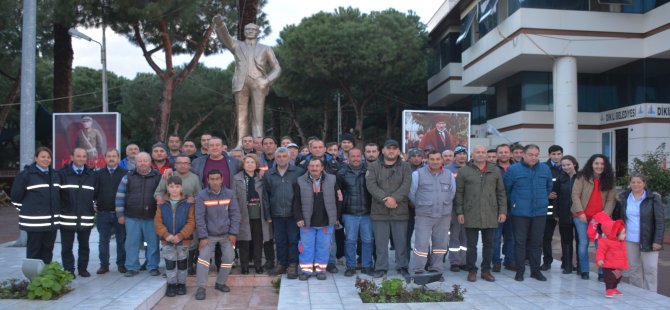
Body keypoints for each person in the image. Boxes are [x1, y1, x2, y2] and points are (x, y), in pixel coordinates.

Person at [213, 15, 281, 146]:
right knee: (241, 115)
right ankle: (241, 143)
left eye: (253, 29)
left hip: (258, 82)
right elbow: (226, 38)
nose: (250, 31)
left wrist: (266, 81)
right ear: (244, 32)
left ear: (258, 32)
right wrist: (220, 25)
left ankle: (258, 143)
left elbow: (277, 68)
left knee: (258, 115)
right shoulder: (237, 45)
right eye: (247, 29)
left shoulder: (266, 48)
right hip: (241, 82)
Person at [455, 146, 507, 282]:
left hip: (491, 213)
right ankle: (472, 270)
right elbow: (459, 193)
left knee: (489, 244)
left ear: (487, 154)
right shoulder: (464, 171)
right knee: (471, 245)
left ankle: (486, 271)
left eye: (483, 152)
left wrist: (502, 211)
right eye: (478, 152)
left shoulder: (495, 170)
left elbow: (501, 193)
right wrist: (459, 212)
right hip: (470, 212)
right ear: (472, 154)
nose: (481, 155)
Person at [504, 144, 553, 282]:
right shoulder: (513, 170)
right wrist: (513, 205)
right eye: (531, 154)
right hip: (520, 212)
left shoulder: (545, 169)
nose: (534, 157)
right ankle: (520, 271)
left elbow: (549, 187)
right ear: (523, 155)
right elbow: (507, 190)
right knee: (520, 243)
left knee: (537, 243)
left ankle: (535, 271)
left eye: (536, 155)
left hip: (539, 212)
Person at [366, 139, 412, 278]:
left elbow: (406, 184)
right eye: (388, 148)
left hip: (400, 210)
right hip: (380, 210)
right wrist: (386, 199)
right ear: (383, 150)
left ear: (399, 151)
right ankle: (381, 267)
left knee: (401, 242)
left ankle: (402, 266)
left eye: (394, 148)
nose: (391, 151)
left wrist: (395, 199)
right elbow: (371, 185)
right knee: (380, 243)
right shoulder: (373, 166)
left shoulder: (405, 166)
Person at [194, 169, 240, 300]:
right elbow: (199, 218)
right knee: (203, 258)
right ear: (208, 180)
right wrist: (203, 237)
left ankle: (220, 283)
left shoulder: (229, 194)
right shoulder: (202, 195)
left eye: (217, 179)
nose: (215, 181)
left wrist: (233, 233)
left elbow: (235, 214)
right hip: (209, 235)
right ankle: (201, 287)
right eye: (212, 179)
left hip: (226, 235)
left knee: (229, 257)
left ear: (222, 179)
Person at [115, 152, 162, 277]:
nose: (142, 163)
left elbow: (163, 194)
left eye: (145, 161)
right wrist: (120, 214)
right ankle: (132, 267)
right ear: (136, 163)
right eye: (140, 161)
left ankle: (152, 266)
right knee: (131, 243)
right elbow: (120, 196)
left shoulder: (158, 176)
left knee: (152, 243)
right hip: (131, 217)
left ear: (150, 162)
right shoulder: (128, 176)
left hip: (151, 217)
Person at [10, 147, 61, 264]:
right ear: (36, 158)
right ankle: (34, 279)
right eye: (43, 157)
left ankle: (45, 277)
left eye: (48, 157)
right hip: (34, 224)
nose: (46, 159)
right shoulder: (26, 175)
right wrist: (27, 210)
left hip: (51, 223)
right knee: (34, 252)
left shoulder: (55, 175)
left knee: (48, 251)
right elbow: (15, 197)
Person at [293, 158, 341, 280]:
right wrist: (299, 217)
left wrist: (336, 217)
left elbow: (339, 199)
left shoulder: (332, 179)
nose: (314, 168)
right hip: (307, 222)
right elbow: (296, 201)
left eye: (317, 166)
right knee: (306, 247)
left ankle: (320, 270)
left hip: (326, 221)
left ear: (322, 167)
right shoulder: (300, 181)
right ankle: (306, 270)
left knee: (324, 247)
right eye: (312, 166)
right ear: (308, 167)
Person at [408, 150, 455, 275]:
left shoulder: (449, 175)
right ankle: (419, 269)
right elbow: (412, 193)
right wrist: (423, 205)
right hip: (424, 215)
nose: (435, 162)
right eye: (432, 159)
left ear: (442, 160)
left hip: (443, 215)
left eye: (437, 159)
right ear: (427, 160)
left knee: (440, 244)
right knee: (421, 244)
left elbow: (452, 193)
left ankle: (436, 268)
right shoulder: (418, 174)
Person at [616, 173, 665, 292]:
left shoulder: (653, 198)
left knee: (650, 269)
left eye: (639, 182)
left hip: (649, 239)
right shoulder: (624, 197)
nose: (636, 184)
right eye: (633, 182)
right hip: (630, 239)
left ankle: (652, 295)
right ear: (630, 183)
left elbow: (660, 222)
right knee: (634, 269)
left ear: (644, 184)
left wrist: (657, 240)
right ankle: (637, 294)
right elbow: (619, 218)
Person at [155, 154, 202, 275]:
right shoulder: (168, 175)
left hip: (188, 214)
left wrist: (194, 199)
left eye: (186, 163)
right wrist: (160, 199)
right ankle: (170, 268)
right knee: (170, 242)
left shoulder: (195, 178)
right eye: (180, 163)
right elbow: (158, 192)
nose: (183, 165)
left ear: (190, 165)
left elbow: (200, 195)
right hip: (170, 214)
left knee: (189, 242)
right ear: (175, 164)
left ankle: (188, 266)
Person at [571, 154, 616, 280]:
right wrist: (581, 213)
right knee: (583, 243)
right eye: (596, 163)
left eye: (602, 164)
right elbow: (575, 195)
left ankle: (602, 273)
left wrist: (603, 216)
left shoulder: (609, 179)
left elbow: (611, 200)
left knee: (600, 246)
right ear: (591, 164)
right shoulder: (582, 177)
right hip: (582, 217)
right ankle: (584, 270)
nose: (599, 166)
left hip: (600, 219)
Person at [263, 147, 304, 278]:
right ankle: (281, 264)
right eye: (279, 157)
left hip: (293, 214)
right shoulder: (269, 174)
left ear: (289, 157)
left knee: (293, 240)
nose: (281, 159)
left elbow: (303, 194)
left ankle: (293, 264)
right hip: (276, 214)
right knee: (280, 240)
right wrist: (268, 214)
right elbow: (266, 196)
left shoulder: (298, 172)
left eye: (284, 156)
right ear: (275, 158)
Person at [59, 147, 98, 278]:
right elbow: (58, 195)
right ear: (72, 157)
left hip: (85, 217)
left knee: (84, 246)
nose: (81, 159)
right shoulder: (62, 174)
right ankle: (69, 270)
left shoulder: (92, 175)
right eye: (78, 156)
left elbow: (96, 194)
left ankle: (83, 269)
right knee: (67, 247)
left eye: (83, 156)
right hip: (67, 218)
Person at [154, 176, 195, 297]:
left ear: (181, 187)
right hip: (167, 240)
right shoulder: (162, 203)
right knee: (170, 263)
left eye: (177, 186)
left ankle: (182, 284)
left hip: (184, 240)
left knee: (182, 262)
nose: (174, 189)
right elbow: (158, 222)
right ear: (167, 187)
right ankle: (171, 284)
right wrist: (166, 235)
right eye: (171, 186)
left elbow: (191, 222)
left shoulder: (188, 203)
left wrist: (181, 235)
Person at [233, 154, 273, 274]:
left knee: (258, 240)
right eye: (247, 162)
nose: (250, 164)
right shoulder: (236, 178)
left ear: (256, 165)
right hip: (243, 214)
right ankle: (244, 265)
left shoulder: (261, 177)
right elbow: (233, 198)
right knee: (244, 241)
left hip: (258, 214)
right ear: (243, 165)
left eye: (252, 162)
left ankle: (257, 264)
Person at [337, 148, 374, 277]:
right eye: (353, 156)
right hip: (349, 213)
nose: (356, 158)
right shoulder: (342, 173)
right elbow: (338, 195)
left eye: (358, 156)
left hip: (367, 212)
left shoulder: (369, 171)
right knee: (350, 240)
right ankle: (351, 266)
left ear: (362, 156)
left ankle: (367, 266)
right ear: (348, 157)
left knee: (368, 240)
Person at [95, 148, 128, 274]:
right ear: (105, 158)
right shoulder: (98, 174)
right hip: (103, 213)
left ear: (118, 158)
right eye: (109, 156)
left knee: (121, 240)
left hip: (120, 214)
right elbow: (94, 192)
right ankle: (104, 265)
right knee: (103, 240)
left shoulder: (125, 173)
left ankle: (121, 264)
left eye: (114, 156)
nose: (111, 158)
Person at [492, 144, 515, 272]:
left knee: (511, 237)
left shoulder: (517, 168)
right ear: (497, 154)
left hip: (514, 208)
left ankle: (510, 261)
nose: (503, 154)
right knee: (495, 237)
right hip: (496, 208)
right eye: (501, 152)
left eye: (506, 152)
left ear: (510, 154)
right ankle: (496, 261)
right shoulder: (492, 169)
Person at [556, 155, 579, 274]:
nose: (566, 167)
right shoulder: (560, 179)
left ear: (574, 164)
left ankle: (580, 266)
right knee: (566, 240)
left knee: (580, 241)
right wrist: (557, 213)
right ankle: (568, 266)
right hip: (564, 214)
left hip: (579, 214)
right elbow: (556, 196)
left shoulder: (581, 178)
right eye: (563, 165)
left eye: (568, 164)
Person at [446, 145, 468, 272]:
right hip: (453, 208)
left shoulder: (472, 168)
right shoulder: (448, 169)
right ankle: (454, 261)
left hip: (469, 208)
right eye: (459, 154)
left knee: (466, 236)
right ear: (455, 156)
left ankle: (463, 261)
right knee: (454, 235)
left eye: (464, 153)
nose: (461, 156)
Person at [540, 145, 562, 271]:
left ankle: (568, 263)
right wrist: (546, 194)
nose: (556, 156)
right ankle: (547, 261)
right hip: (548, 206)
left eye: (559, 154)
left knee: (566, 237)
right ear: (549, 155)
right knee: (546, 236)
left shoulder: (566, 167)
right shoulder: (543, 167)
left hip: (563, 207)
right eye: (554, 154)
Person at [595, 217, 628, 298]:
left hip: (619, 265)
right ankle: (609, 289)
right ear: (615, 234)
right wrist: (600, 259)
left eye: (625, 233)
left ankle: (614, 288)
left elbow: (624, 253)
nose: (625, 235)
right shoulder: (605, 242)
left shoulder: (622, 242)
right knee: (610, 278)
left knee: (617, 277)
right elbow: (600, 251)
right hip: (608, 264)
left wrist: (624, 262)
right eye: (623, 233)